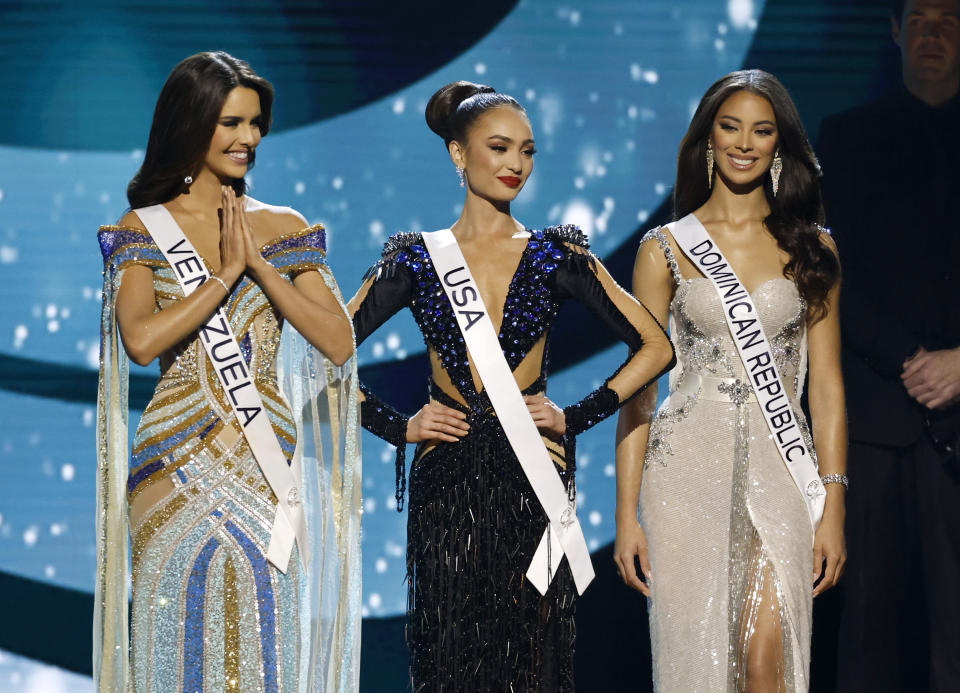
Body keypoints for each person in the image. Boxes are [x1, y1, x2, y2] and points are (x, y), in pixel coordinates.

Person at [347, 80, 675, 692]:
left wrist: (576, 416)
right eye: (498, 148)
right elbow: (322, 351)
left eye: (527, 151)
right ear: (457, 153)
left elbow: (657, 345)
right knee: (451, 659)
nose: (515, 165)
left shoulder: (556, 254)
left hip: (535, 475)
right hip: (447, 483)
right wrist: (399, 425)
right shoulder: (416, 258)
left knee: (534, 657)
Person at [94, 52, 362, 692]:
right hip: (172, 463)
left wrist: (261, 267)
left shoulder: (283, 226)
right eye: (231, 123)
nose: (249, 139)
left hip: (263, 465)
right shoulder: (145, 228)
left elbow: (338, 340)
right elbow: (140, 339)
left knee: (265, 651)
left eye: (256, 124)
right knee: (173, 648)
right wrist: (223, 279)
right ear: (192, 125)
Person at [614, 69, 847, 692]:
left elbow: (825, 386)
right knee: (699, 663)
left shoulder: (812, 248)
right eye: (731, 126)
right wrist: (625, 515)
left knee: (766, 660)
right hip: (684, 470)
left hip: (785, 470)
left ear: (779, 146)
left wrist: (835, 503)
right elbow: (638, 389)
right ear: (708, 138)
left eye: (762, 130)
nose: (745, 142)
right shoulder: (664, 248)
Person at [817, 1, 960, 690]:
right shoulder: (848, 138)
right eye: (921, 19)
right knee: (867, 627)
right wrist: (911, 358)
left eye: (950, 20)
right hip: (875, 418)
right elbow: (833, 279)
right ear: (895, 32)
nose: (934, 33)